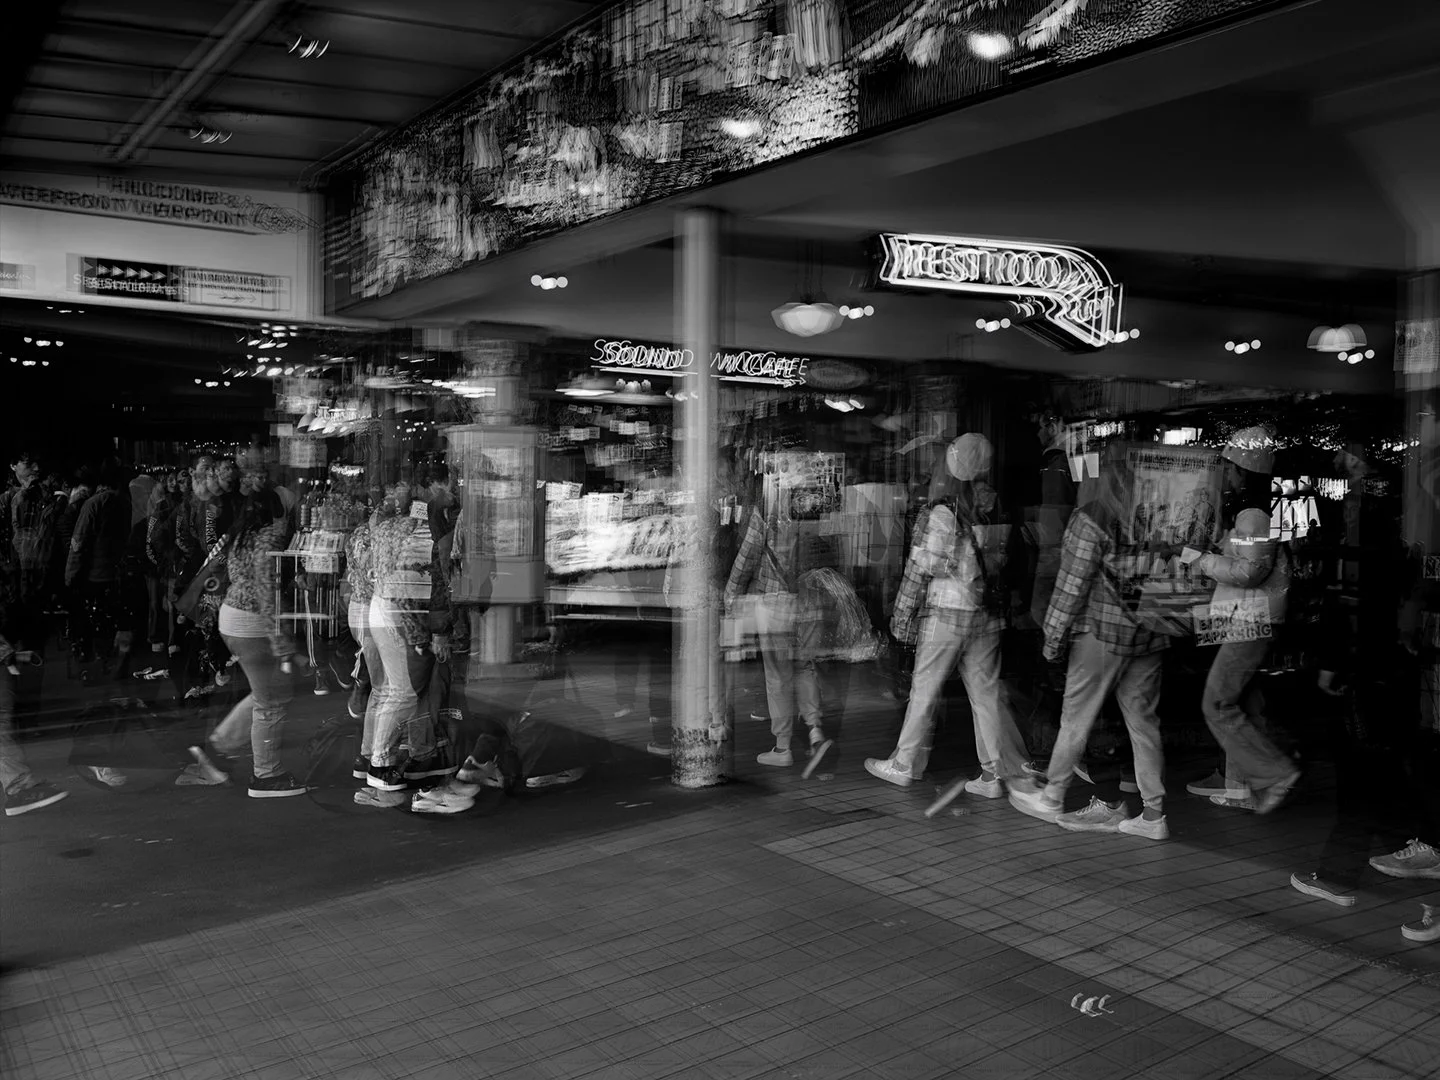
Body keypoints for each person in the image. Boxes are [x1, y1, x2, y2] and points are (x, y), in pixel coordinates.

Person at [1009, 443, 1171, 840]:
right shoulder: (1154, 516)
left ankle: (1052, 796)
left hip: (1102, 632)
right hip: (1149, 630)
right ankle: (1153, 815)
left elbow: (1070, 586)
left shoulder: (1092, 517)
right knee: (1144, 723)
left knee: (1076, 718)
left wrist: (1052, 639)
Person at [864, 434, 1030, 797]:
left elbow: (921, 565)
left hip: (948, 612)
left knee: (924, 688)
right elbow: (1003, 559)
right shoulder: (991, 506)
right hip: (985, 613)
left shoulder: (943, 510)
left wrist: (902, 612)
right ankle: (992, 774)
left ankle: (904, 762)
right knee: (985, 694)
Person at [724, 468, 843, 774]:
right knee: (804, 667)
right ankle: (815, 733)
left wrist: (731, 595)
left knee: (778, 676)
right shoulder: (815, 506)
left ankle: (783, 746)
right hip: (809, 600)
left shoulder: (770, 509)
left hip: (776, 604)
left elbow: (747, 556)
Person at [1191, 507, 1297, 813]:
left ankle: (1274, 772)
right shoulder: (1246, 518)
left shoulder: (1253, 518)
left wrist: (1200, 558)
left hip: (1249, 620)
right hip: (1243, 618)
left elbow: (1248, 572)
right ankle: (1240, 788)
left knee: (1217, 703)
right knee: (1244, 704)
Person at [204, 489, 308, 798]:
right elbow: (267, 594)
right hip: (251, 623)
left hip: (233, 616)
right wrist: (284, 647)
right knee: (271, 699)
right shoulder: (266, 540)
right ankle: (266, 774)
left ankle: (218, 747)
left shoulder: (241, 535)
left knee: (266, 692)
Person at [64, 463, 135, 676]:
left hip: (95, 574)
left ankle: (103, 661)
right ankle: (119, 655)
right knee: (116, 617)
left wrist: (70, 574)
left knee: (98, 622)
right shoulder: (124, 502)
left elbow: (79, 540)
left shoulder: (93, 504)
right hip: (118, 572)